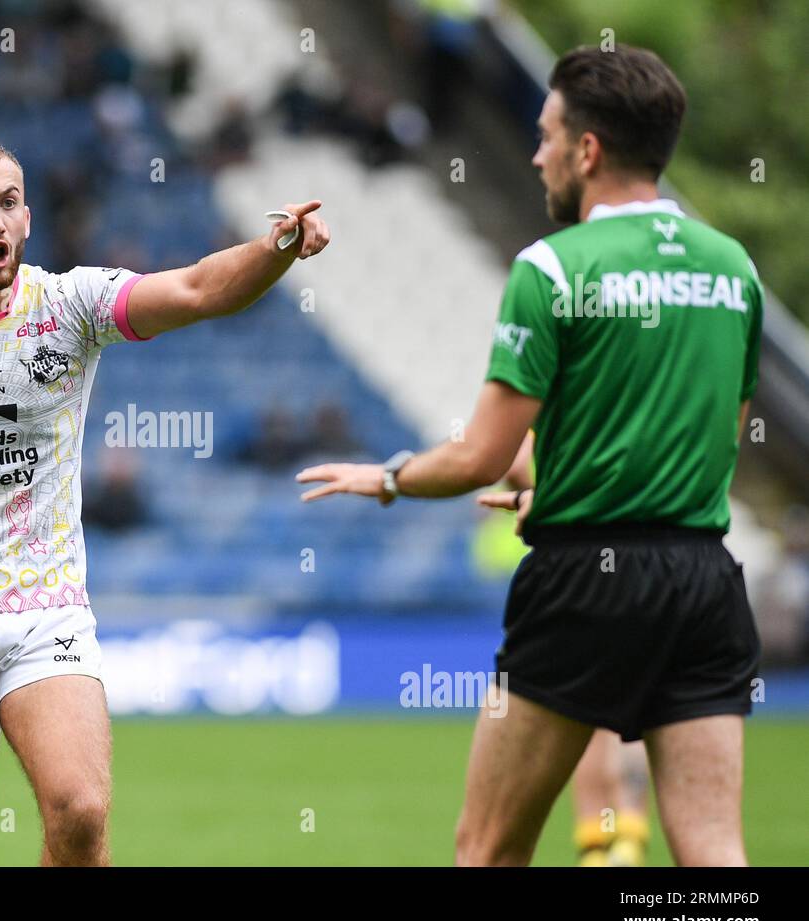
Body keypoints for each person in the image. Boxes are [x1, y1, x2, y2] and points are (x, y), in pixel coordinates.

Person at [0, 134, 329, 866]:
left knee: (80, 812)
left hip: (46, 611)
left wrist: (275, 249)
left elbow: (199, 288)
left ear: (28, 217)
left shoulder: (70, 304)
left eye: (8, 204)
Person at [298, 45, 761, 866]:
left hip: (584, 582)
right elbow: (722, 436)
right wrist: (592, 489)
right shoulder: (735, 270)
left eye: (547, 135)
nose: (537, 152)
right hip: (704, 583)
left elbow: (481, 457)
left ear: (588, 150)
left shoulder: (551, 269)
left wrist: (389, 477)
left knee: (488, 849)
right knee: (715, 857)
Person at [483, 435, 652, 867]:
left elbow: (514, 464)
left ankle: (595, 844)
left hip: (575, 579)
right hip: (648, 573)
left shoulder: (554, 412)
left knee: (584, 720)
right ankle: (629, 832)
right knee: (633, 716)